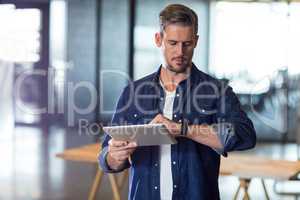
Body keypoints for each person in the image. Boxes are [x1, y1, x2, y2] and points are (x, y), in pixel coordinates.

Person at [99, 4, 256, 200]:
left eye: (187, 43)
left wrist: (183, 130)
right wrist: (115, 156)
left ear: (196, 41)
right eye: (172, 43)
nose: (180, 51)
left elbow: (245, 135)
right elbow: (106, 157)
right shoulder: (132, 93)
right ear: (158, 39)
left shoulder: (217, 91)